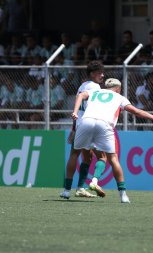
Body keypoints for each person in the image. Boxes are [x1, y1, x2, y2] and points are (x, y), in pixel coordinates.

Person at [71, 78, 153, 203]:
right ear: (118, 88)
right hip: (104, 125)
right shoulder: (119, 97)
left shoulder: (95, 92)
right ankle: (123, 195)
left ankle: (68, 190)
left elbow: (81, 95)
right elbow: (136, 111)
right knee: (112, 159)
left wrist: (75, 112)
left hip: (85, 122)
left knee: (75, 154)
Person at [59, 61, 105, 200]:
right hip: (90, 124)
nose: (102, 75)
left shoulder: (82, 86)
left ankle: (68, 190)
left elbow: (78, 109)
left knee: (79, 155)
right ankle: (84, 185)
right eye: (99, 73)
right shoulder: (96, 87)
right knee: (102, 157)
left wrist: (74, 128)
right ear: (92, 74)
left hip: (79, 125)